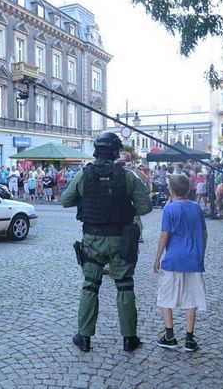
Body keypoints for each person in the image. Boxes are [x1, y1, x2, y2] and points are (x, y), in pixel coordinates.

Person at [61, 132, 152, 352]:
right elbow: (145, 207)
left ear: (96, 151)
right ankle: (129, 339)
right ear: (115, 152)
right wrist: (124, 208)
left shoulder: (84, 175)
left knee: (90, 286)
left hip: (93, 239)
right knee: (125, 285)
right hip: (122, 239)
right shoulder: (128, 177)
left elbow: (65, 201)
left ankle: (84, 337)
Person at [154, 174, 207, 352]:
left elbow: (164, 235)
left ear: (171, 190)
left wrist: (157, 259)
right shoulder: (196, 207)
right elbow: (204, 234)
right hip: (193, 260)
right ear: (189, 189)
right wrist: (200, 254)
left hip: (173, 260)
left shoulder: (169, 209)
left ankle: (170, 337)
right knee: (191, 299)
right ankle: (189, 340)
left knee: (165, 297)